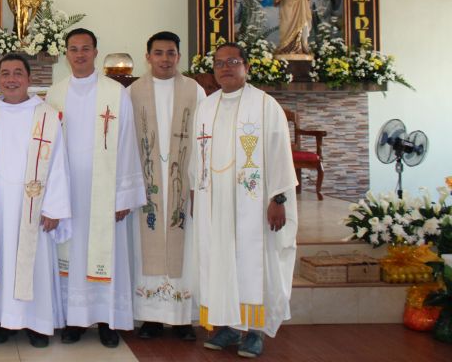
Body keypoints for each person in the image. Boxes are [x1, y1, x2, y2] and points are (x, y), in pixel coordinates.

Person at [192, 43, 297, 358]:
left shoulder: (266, 106)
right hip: (214, 202)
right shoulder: (206, 107)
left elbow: (280, 154)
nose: (225, 68)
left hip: (253, 202)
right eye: (220, 63)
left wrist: (278, 199)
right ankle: (225, 326)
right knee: (218, 261)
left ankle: (254, 331)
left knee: (253, 262)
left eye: (233, 62)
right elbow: (198, 160)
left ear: (246, 67)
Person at [46, 28, 146, 347]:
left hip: (105, 193)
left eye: (85, 49)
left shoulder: (116, 93)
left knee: (106, 253)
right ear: (66, 54)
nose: (79, 54)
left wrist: (123, 195)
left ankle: (106, 319)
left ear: (95, 52)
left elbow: (128, 143)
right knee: (71, 252)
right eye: (73, 49)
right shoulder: (54, 94)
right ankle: (73, 320)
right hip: (68, 191)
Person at [0, 53, 71, 348]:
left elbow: (58, 164)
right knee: (1, 261)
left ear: (29, 79)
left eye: (18, 73)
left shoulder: (47, 115)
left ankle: (37, 324)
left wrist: (54, 207)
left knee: (35, 264)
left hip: (34, 204)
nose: (11, 79)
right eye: (5, 73)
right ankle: (2, 322)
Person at [127, 32, 206, 341]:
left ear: (178, 56)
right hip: (146, 183)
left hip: (181, 179)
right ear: (147, 56)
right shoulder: (133, 92)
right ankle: (150, 318)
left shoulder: (194, 90)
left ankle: (182, 318)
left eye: (170, 53)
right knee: (145, 244)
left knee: (183, 246)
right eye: (158, 53)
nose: (164, 58)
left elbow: (202, 139)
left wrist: (197, 183)